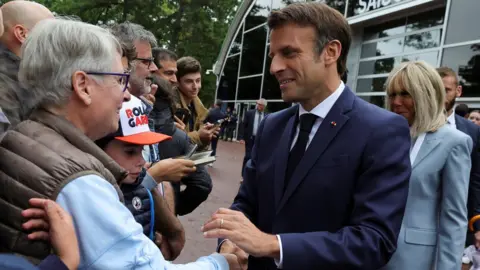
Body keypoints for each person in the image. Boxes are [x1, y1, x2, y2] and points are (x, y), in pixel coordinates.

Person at [0, 18, 239, 269]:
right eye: (119, 79)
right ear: (83, 86)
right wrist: (221, 263)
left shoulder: (24, 135)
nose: (126, 94)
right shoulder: (80, 181)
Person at [201, 2, 412, 270]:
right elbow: (247, 202)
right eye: (273, 55)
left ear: (331, 52)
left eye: (289, 53)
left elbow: (374, 241)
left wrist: (274, 245)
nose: (275, 67)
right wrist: (230, 240)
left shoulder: (381, 130)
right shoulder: (272, 127)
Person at [381, 61, 471, 270]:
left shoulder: (453, 142)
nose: (396, 102)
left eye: (405, 94)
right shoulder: (384, 137)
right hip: (370, 253)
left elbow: (454, 218)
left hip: (415, 259)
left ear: (425, 95)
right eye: (392, 95)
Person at [95, 95, 187, 260]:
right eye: (130, 152)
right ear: (98, 149)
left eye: (142, 150)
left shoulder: (137, 182)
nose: (142, 161)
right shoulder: (91, 194)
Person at [151, 75, 213, 216]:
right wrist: (171, 209)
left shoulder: (117, 127)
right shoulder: (179, 136)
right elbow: (202, 184)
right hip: (165, 222)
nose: (173, 78)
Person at [437, 66, 480, 248]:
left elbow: (476, 179)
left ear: (458, 91)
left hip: (456, 221)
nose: (440, 95)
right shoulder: (414, 125)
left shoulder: (472, 131)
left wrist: (477, 222)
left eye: (446, 90)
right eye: (435, 90)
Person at [0, 0, 54, 126]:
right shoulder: (5, 83)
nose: (57, 40)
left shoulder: (22, 76)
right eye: (50, 33)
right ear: (22, 34)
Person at [175, 56, 218, 149]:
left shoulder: (200, 109)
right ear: (177, 82)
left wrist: (206, 136)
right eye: (189, 81)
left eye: (198, 80)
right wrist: (198, 136)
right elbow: (171, 142)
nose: (195, 86)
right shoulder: (171, 107)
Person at [240, 98, 267, 177]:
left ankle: (253, 175)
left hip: (260, 140)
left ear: (264, 106)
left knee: (258, 157)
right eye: (257, 104)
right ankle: (244, 175)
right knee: (248, 156)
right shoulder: (249, 113)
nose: (257, 106)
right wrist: (241, 137)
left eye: (260, 104)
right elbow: (243, 125)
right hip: (250, 139)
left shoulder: (266, 115)